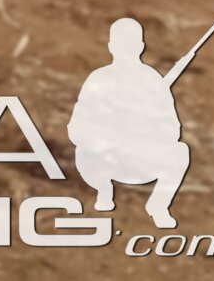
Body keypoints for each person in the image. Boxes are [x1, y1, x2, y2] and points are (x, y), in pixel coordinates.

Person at [67, 17, 192, 229]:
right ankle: (104, 192)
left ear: (141, 47)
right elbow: (76, 127)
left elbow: (173, 129)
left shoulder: (153, 81)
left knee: (180, 152)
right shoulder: (98, 79)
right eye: (121, 44)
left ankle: (158, 205)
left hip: (139, 159)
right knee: (87, 151)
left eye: (131, 44)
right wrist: (103, 136)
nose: (126, 50)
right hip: (102, 159)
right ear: (111, 46)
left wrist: (146, 126)